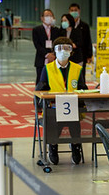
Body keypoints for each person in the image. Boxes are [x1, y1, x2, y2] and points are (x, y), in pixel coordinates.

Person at [35, 37, 87, 165]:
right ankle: (53, 146)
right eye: (59, 48)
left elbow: (82, 88)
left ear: (71, 52)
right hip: (54, 108)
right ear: (54, 51)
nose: (63, 51)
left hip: (73, 107)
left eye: (66, 48)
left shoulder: (77, 69)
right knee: (54, 121)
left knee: (74, 122)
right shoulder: (47, 69)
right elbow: (40, 89)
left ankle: (76, 145)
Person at [32, 8, 65, 83]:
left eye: (51, 16)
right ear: (42, 18)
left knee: (54, 80)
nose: (49, 17)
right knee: (40, 80)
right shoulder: (36, 30)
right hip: (42, 58)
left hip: (55, 58)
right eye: (47, 16)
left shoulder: (56, 30)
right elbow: (37, 45)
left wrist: (54, 54)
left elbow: (59, 43)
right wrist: (47, 55)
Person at [68, 3, 93, 75]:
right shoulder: (67, 25)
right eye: (72, 10)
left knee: (81, 75)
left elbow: (88, 40)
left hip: (82, 54)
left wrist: (89, 55)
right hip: (69, 55)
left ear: (79, 11)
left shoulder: (84, 26)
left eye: (75, 10)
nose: (73, 12)